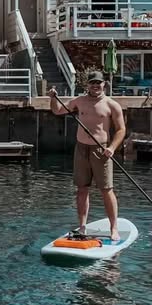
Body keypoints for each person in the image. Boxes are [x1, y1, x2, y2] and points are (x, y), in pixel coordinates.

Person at [49, 71, 126, 240]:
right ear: (87, 85)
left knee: (107, 190)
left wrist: (112, 148)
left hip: (102, 151)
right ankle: (82, 226)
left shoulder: (111, 105)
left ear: (104, 84)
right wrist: (53, 98)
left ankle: (114, 228)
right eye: (92, 83)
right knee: (82, 189)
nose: (95, 86)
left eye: (98, 83)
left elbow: (121, 130)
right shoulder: (79, 101)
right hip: (81, 149)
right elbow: (57, 110)